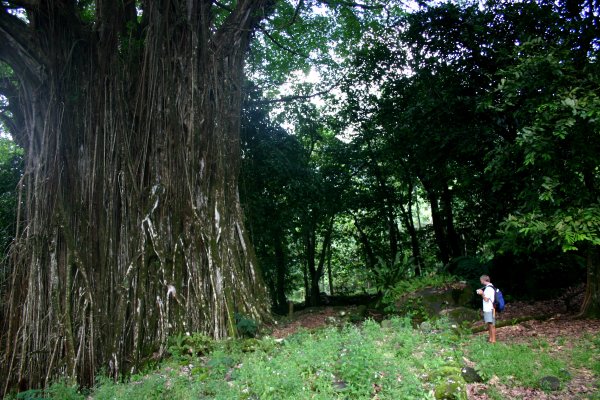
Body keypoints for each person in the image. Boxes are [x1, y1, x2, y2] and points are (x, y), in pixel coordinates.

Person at [476, 275, 496, 343]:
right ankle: (491, 339)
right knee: (489, 324)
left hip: (489, 308)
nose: (480, 281)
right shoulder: (489, 287)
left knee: (491, 325)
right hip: (489, 308)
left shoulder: (489, 289)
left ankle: (493, 340)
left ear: (483, 280)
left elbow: (486, 299)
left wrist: (482, 293)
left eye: (480, 280)